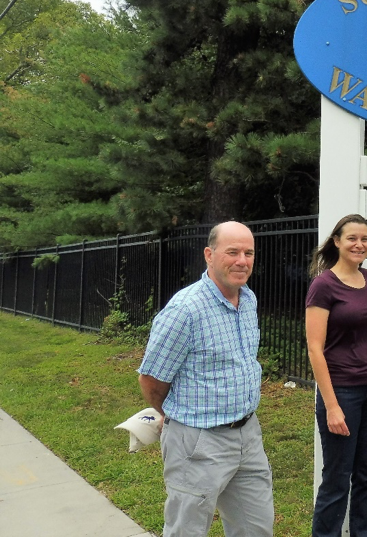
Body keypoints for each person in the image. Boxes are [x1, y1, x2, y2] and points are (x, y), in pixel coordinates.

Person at [137, 221, 273, 537]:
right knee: (187, 530)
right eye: (233, 252)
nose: (242, 260)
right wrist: (177, 419)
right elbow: (152, 380)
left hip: (248, 436)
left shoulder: (248, 300)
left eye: (248, 253)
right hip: (198, 442)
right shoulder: (185, 310)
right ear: (209, 255)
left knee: (255, 528)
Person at [306, 213, 367, 537]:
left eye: (364, 238)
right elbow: (315, 349)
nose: (359, 244)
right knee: (337, 478)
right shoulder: (323, 286)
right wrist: (332, 406)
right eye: (352, 238)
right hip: (343, 392)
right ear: (337, 241)